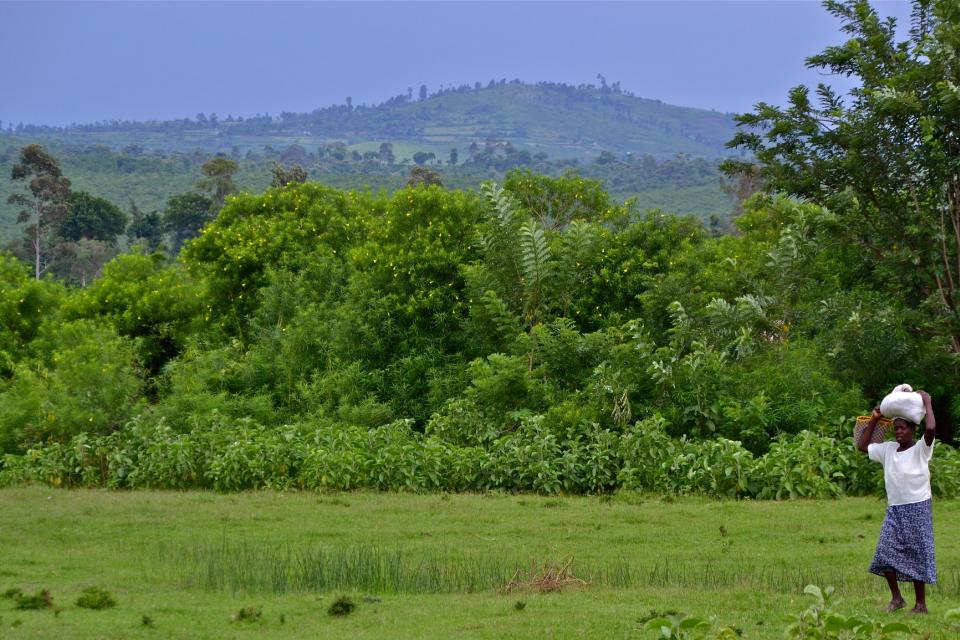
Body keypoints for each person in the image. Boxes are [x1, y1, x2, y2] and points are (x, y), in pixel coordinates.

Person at [856, 390, 937, 614]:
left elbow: (930, 428)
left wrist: (927, 401)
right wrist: (874, 419)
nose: (899, 432)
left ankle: (921, 605)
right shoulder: (888, 450)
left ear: (913, 429)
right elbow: (862, 446)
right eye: (896, 428)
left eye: (903, 428)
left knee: (917, 554)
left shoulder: (922, 449)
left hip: (918, 507)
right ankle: (897, 598)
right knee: (884, 552)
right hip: (895, 510)